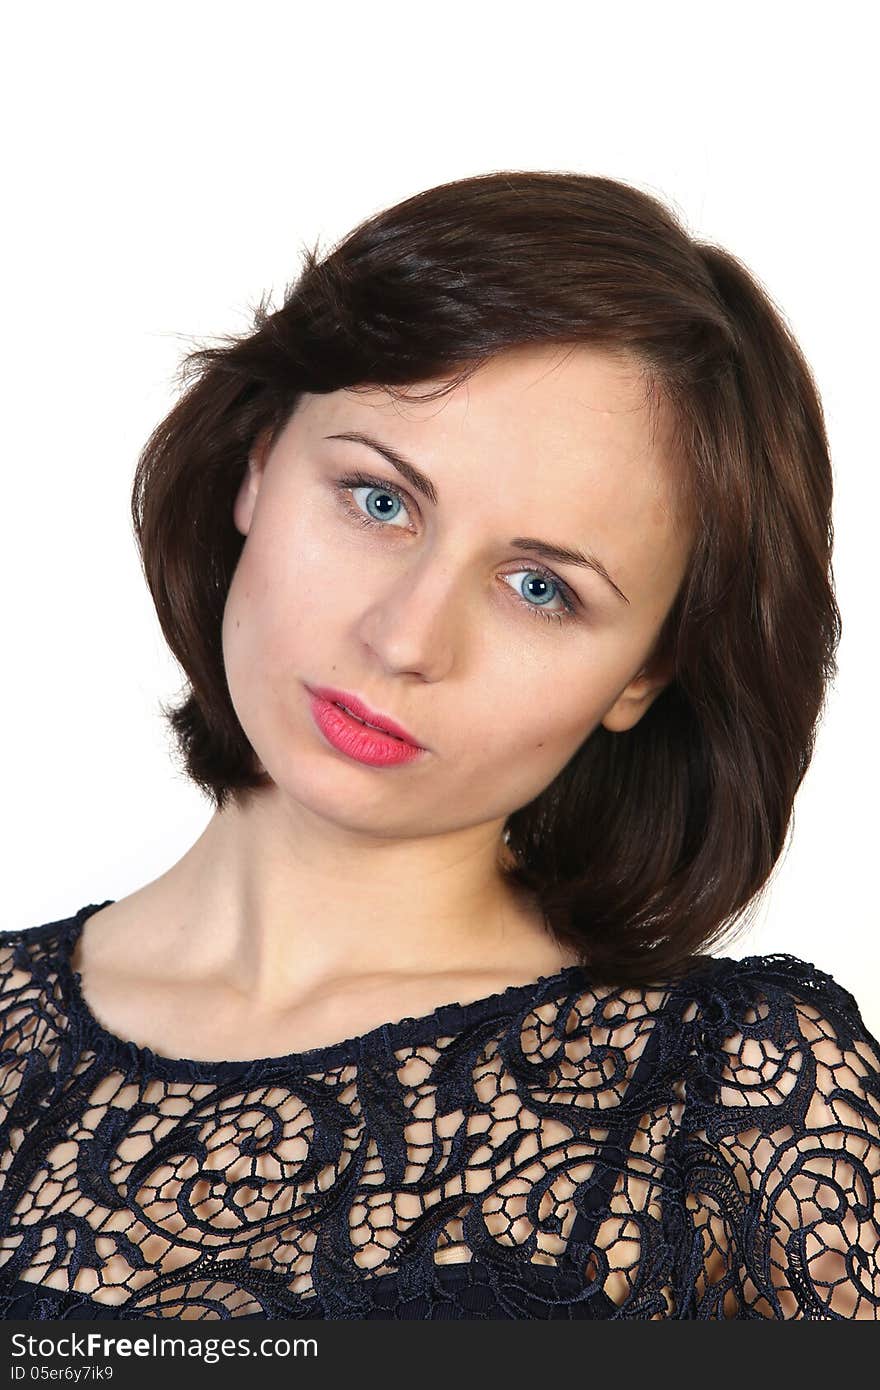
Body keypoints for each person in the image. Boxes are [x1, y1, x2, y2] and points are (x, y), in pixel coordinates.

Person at [1, 170, 877, 1322]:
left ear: (646, 673)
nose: (406, 637)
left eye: (537, 586)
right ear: (259, 462)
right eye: (377, 501)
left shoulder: (723, 1102)